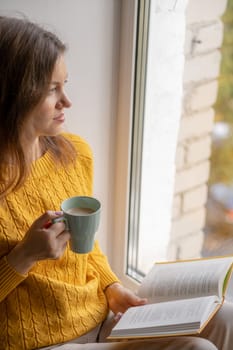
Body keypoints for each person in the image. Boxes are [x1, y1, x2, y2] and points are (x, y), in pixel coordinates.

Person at [0, 15, 232, 350]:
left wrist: (111, 287)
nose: (67, 102)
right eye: (53, 89)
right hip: (35, 342)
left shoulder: (74, 153)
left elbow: (86, 245)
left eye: (65, 84)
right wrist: (23, 256)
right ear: (13, 95)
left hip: (98, 319)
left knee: (225, 318)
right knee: (197, 349)